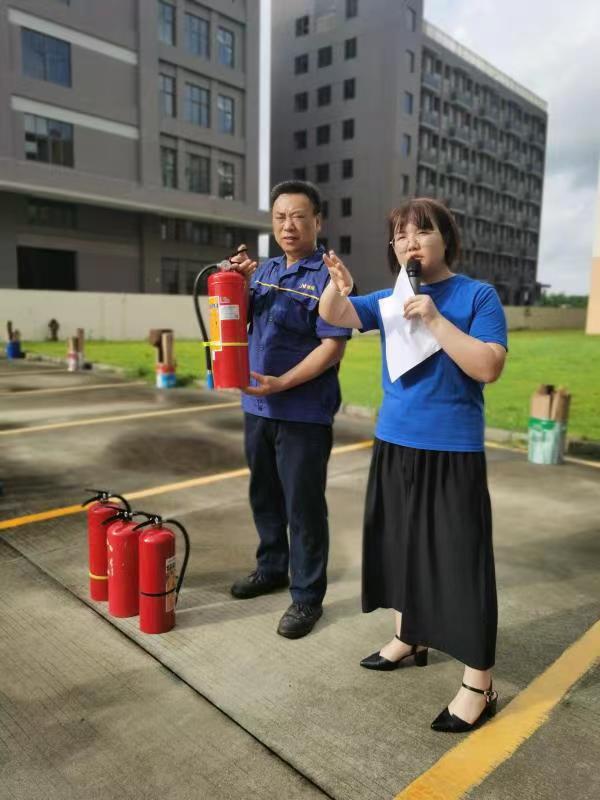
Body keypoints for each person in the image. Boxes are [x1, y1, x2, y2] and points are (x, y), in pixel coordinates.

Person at [318, 197, 507, 732]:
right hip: (394, 443)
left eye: (422, 231)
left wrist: (435, 318)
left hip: (452, 451)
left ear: (445, 237)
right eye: (401, 235)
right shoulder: (390, 296)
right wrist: (338, 282)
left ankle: (479, 684)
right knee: (399, 550)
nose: (410, 241)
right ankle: (410, 637)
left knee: (460, 565)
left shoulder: (476, 295)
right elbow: (333, 314)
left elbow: (489, 365)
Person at [228, 180, 352, 639]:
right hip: (257, 407)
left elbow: (331, 348)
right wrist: (239, 285)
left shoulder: (329, 276)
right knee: (264, 495)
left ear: (317, 221)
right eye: (280, 217)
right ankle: (272, 568)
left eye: (299, 216)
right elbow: (238, 322)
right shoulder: (262, 273)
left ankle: (306, 597)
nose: (289, 225)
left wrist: (282, 383)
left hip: (303, 411)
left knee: (302, 506)